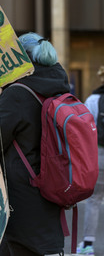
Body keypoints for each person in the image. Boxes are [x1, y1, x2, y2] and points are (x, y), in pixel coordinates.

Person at [0, 32, 70, 256]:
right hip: (50, 191)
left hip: (20, 204)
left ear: (20, 60)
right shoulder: (59, 87)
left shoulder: (18, 93)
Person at [77, 66, 104, 255]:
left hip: (100, 155)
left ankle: (87, 245)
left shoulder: (93, 100)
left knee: (94, 200)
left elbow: (85, 131)